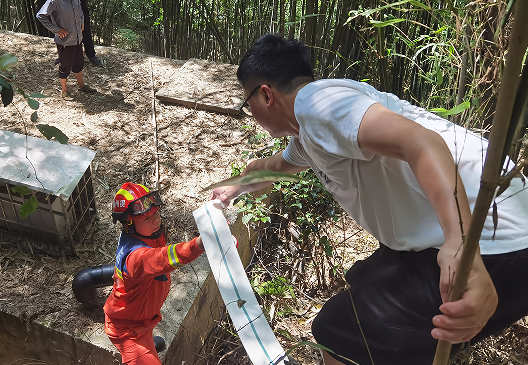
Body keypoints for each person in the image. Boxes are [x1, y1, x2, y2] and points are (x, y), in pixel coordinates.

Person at [211, 33, 528, 365]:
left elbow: (423, 143)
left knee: (337, 333)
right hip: (478, 233)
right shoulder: (310, 131)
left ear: (265, 95)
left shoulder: (319, 105)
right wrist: (235, 186)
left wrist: (462, 244)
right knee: (363, 279)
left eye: (247, 103)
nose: (252, 113)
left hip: (494, 240)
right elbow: (274, 167)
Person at [104, 182, 205, 364]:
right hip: (129, 332)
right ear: (129, 224)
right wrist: (198, 245)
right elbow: (163, 259)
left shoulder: (143, 237)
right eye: (146, 219)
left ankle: (149, 345)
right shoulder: (136, 257)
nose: (156, 220)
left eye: (155, 213)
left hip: (142, 321)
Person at [36, 0, 97, 100]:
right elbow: (40, 15)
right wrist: (56, 30)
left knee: (78, 63)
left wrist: (81, 21)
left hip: (77, 39)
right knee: (65, 66)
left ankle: (81, 86)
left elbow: (80, 10)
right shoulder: (54, 1)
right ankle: (64, 91)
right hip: (65, 41)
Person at [54, 0, 102, 66]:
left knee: (86, 33)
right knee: (65, 32)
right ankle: (63, 56)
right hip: (64, 9)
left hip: (80, 8)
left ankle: (91, 55)